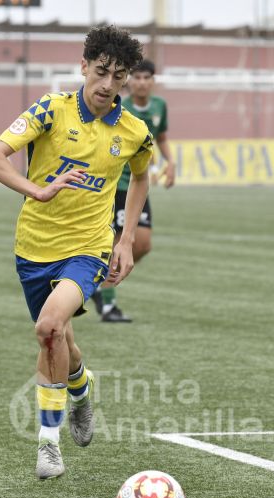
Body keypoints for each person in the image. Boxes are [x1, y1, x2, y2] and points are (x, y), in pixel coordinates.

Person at [0, 25, 152, 480]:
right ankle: (81, 387)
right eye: (101, 72)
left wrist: (125, 240)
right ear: (84, 66)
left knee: (49, 326)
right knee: (60, 342)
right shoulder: (50, 110)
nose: (108, 84)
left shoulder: (135, 131)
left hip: (89, 248)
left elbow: (140, 177)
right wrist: (37, 190)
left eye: (119, 77)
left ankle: (48, 445)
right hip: (33, 248)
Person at [91, 59, 175, 322]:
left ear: (153, 81)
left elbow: (160, 137)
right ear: (129, 81)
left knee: (143, 243)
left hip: (139, 185)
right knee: (120, 241)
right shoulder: (119, 108)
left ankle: (99, 282)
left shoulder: (160, 106)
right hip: (118, 185)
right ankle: (108, 305)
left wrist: (170, 162)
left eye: (146, 77)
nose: (141, 82)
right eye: (136, 77)